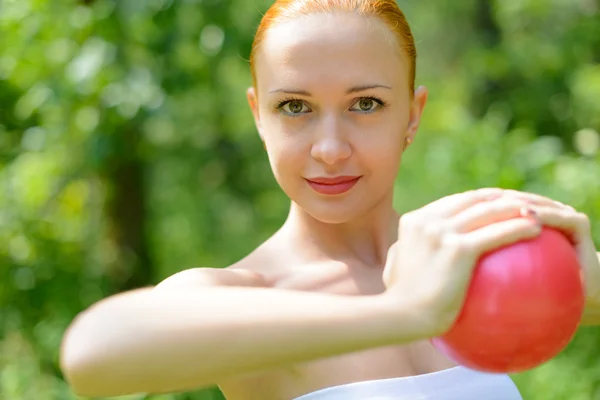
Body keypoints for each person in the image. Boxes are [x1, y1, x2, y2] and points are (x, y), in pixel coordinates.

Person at [59, 0, 600, 399]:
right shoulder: (250, 292)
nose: (331, 149)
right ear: (258, 116)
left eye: (365, 104)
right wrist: (405, 312)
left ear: (412, 115)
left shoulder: (468, 260)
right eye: (295, 107)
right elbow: (92, 354)